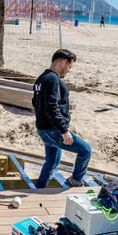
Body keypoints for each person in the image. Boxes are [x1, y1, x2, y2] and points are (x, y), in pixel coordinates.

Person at [32, 49, 92, 188]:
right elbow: (52, 107)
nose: (69, 70)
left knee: (52, 162)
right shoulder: (53, 79)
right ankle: (76, 180)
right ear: (62, 62)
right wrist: (64, 131)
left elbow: (35, 102)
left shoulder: (42, 77)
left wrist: (43, 122)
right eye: (69, 67)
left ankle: (40, 188)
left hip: (45, 129)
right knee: (85, 151)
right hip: (53, 130)